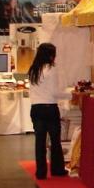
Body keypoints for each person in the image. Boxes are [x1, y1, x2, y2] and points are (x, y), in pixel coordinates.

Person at [27, 43, 69, 179]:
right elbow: (54, 92)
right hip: (50, 108)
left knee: (40, 141)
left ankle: (41, 171)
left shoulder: (33, 69)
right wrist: (71, 95)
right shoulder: (51, 69)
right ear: (50, 56)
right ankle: (57, 169)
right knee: (55, 140)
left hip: (36, 108)